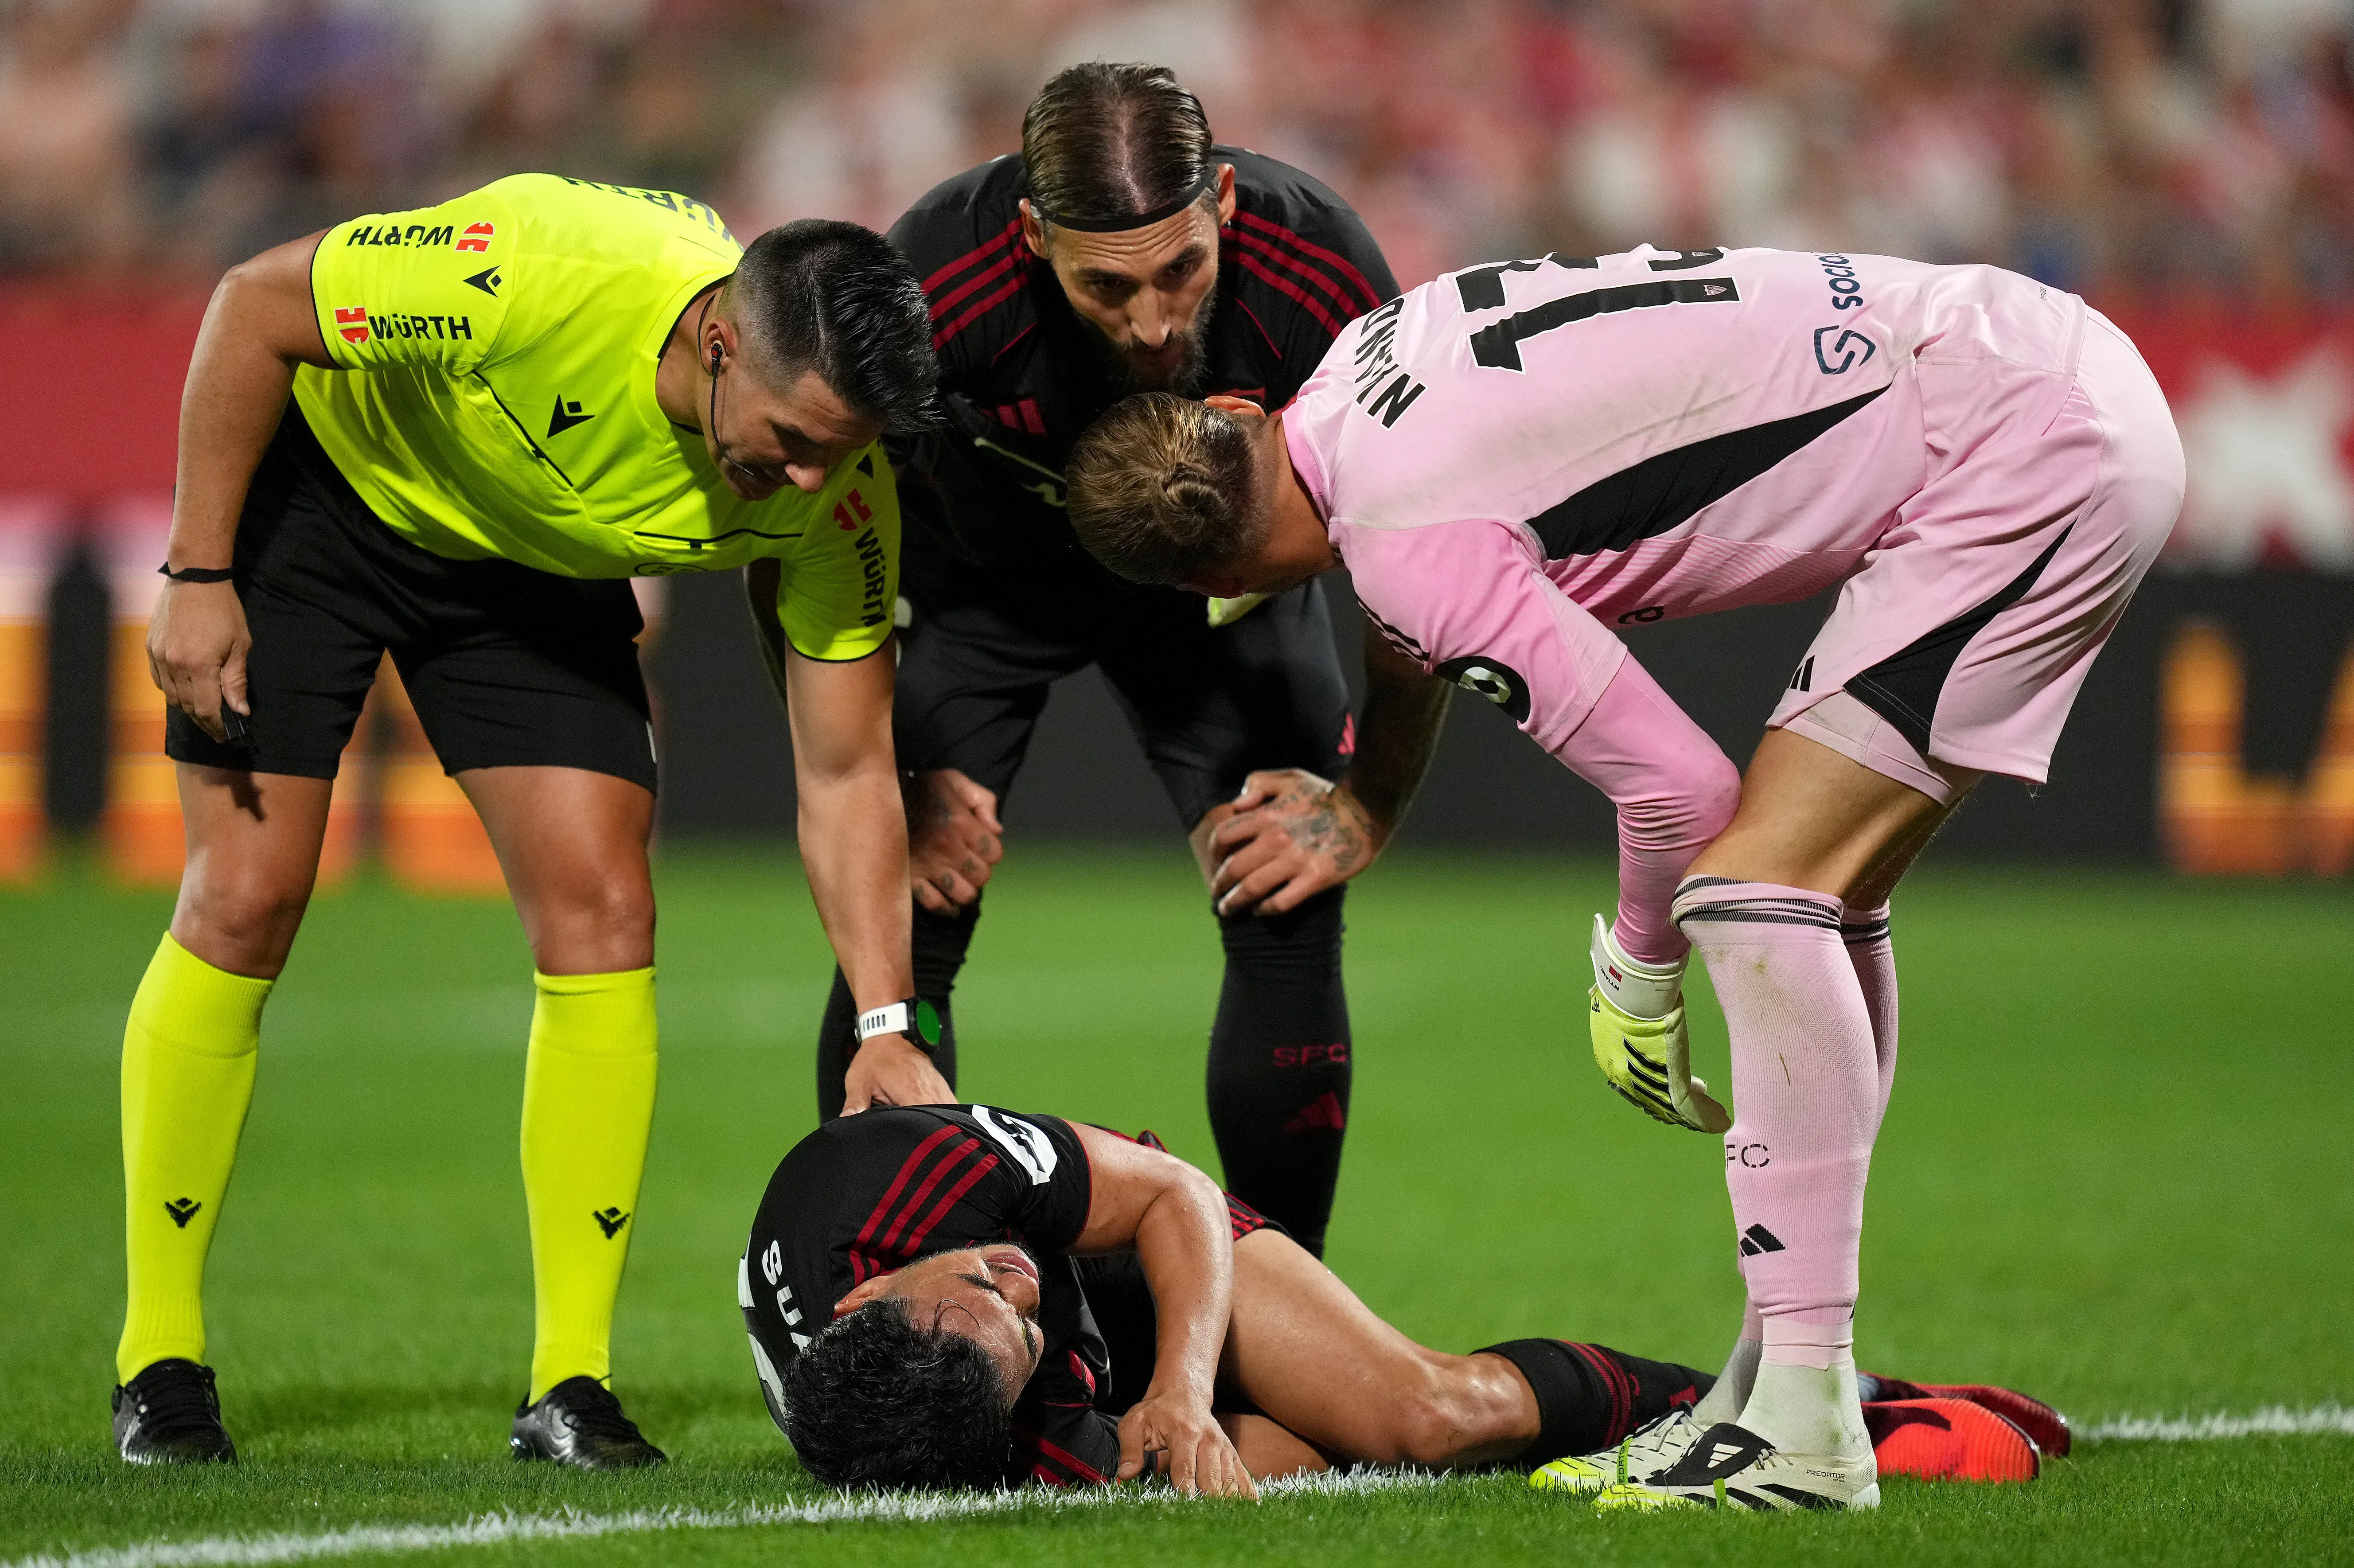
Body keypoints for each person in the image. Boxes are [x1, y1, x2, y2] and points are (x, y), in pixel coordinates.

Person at [1062, 244, 2179, 1509]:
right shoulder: (1362, 363)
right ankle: (1775, 1389)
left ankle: (1804, 1430)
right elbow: (1405, 607)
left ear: (1216, 586)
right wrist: (1369, 794)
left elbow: (1678, 793)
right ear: (1233, 412)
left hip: (2022, 449)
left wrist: (1639, 973)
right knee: (1814, 894)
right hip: (2025, 352)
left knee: (1750, 892)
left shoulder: (1407, 549)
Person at [113, 173, 951, 1470]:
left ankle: (571, 1384)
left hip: (531, 573)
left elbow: (847, 771)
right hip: (330, 506)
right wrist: (197, 573)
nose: (805, 478)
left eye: (836, 452)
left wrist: (886, 1022)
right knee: (248, 896)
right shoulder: (540, 268)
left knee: (608, 911)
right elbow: (254, 307)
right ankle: (158, 1364)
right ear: (716, 342)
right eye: (790, 439)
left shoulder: (839, 497)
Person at [811, 64, 1448, 1261]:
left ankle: (1284, 1318)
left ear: (1222, 203)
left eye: (1181, 270)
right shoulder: (929, 289)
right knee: (905, 931)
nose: (1154, 321)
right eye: (1105, 286)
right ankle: (897, 1305)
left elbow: (1416, 557)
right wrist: (889, 781)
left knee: (1287, 897)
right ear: (1030, 236)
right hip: (978, 595)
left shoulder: (1327, 278)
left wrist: (1366, 803)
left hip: (1219, 603)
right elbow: (815, 545)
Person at [741, 1104, 2068, 1493]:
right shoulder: (950, 1424)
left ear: (869, 1300)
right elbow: (1041, 1376)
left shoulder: (894, 1180)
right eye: (1015, 1328)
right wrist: (1193, 1435)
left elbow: (1169, 1199)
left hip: (1146, 1233)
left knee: (1430, 1414)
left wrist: (1182, 1389)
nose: (1010, 1285)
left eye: (980, 1279)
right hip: (1074, 1365)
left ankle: (1842, 1399)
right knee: (1332, 1449)